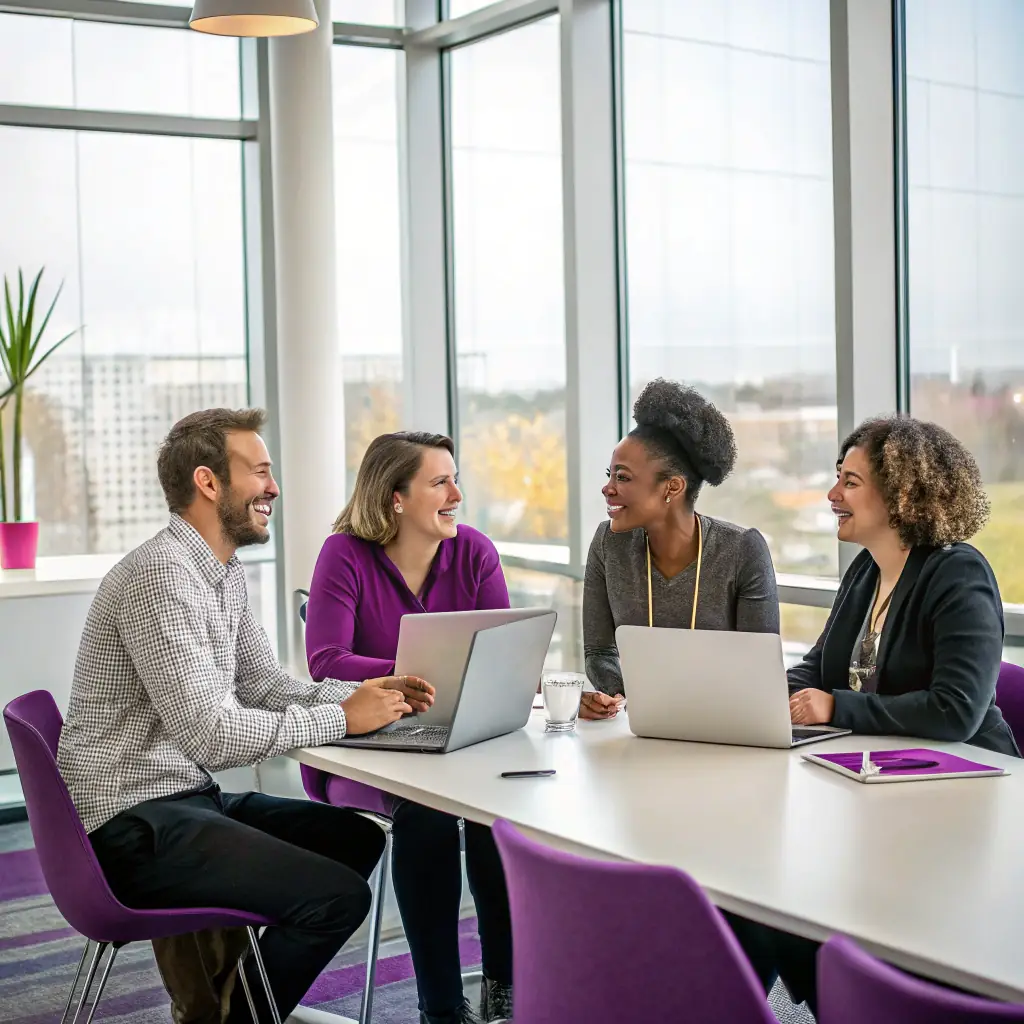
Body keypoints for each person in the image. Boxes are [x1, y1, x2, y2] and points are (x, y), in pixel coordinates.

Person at [57, 408, 435, 1024]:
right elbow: (214, 735)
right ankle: (239, 1017)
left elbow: (261, 684)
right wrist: (344, 718)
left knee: (354, 840)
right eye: (259, 471)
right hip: (131, 825)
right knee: (336, 899)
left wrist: (363, 693)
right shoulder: (162, 578)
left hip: (182, 799)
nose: (274, 487)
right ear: (209, 483)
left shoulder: (220, 571)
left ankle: (228, 999)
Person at [729, 414, 1020, 1015]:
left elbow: (957, 710)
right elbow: (818, 666)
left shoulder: (957, 572)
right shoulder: (865, 570)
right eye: (837, 478)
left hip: (965, 804)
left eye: (850, 482)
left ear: (900, 493)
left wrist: (840, 706)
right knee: (762, 893)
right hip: (877, 790)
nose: (832, 495)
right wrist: (752, 696)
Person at [304, 432, 513, 1024]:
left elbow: (501, 649)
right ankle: (441, 1007)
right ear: (395, 497)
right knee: (430, 815)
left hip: (460, 738)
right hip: (366, 746)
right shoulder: (344, 554)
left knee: (501, 811)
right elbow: (325, 661)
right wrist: (411, 674)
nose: (457, 494)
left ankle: (504, 989)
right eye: (439, 482)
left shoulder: (474, 552)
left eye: (455, 478)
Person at [581, 378, 779, 720]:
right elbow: (599, 650)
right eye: (610, 475)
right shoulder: (608, 544)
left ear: (671, 487)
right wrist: (618, 694)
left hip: (725, 731)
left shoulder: (742, 551)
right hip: (643, 730)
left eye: (623, 478)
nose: (607, 488)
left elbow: (759, 671)